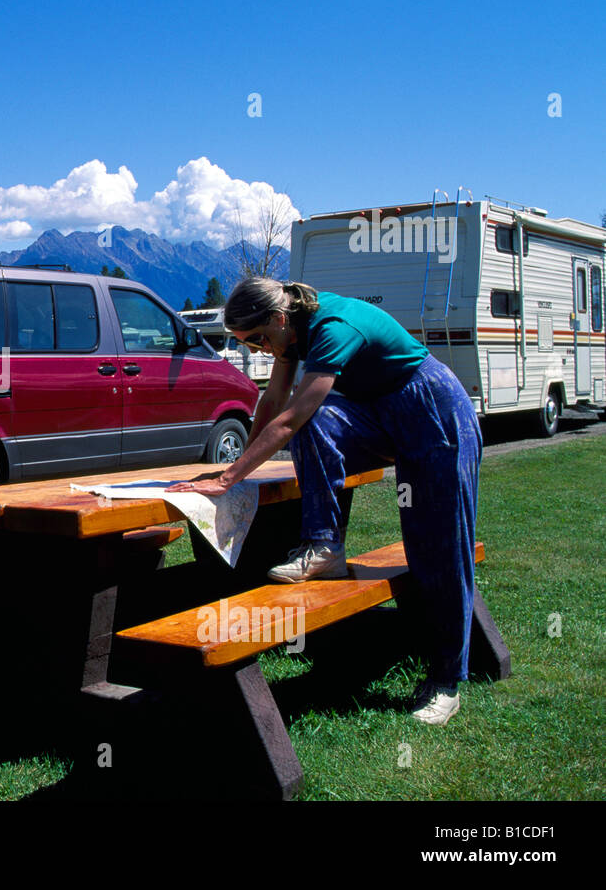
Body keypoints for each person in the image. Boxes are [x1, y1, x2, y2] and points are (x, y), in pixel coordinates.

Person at [166, 278, 482, 725]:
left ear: (277, 318)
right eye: (244, 344)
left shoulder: (332, 327)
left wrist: (229, 477)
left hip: (432, 411)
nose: (256, 349)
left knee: (438, 546)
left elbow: (290, 418)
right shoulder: (289, 333)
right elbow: (273, 401)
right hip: (381, 412)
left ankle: (447, 679)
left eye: (257, 339)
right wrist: (230, 475)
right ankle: (325, 546)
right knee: (318, 425)